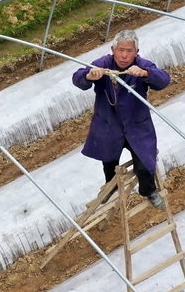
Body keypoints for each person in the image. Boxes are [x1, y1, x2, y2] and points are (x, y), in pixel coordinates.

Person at [72, 29, 170, 209]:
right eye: (121, 50)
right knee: (109, 162)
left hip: (136, 126)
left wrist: (145, 74)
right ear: (113, 50)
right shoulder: (103, 64)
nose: (124, 55)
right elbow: (78, 77)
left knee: (144, 164)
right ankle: (111, 188)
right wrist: (89, 76)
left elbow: (164, 80)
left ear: (136, 53)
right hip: (110, 125)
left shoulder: (142, 66)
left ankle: (149, 191)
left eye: (129, 51)